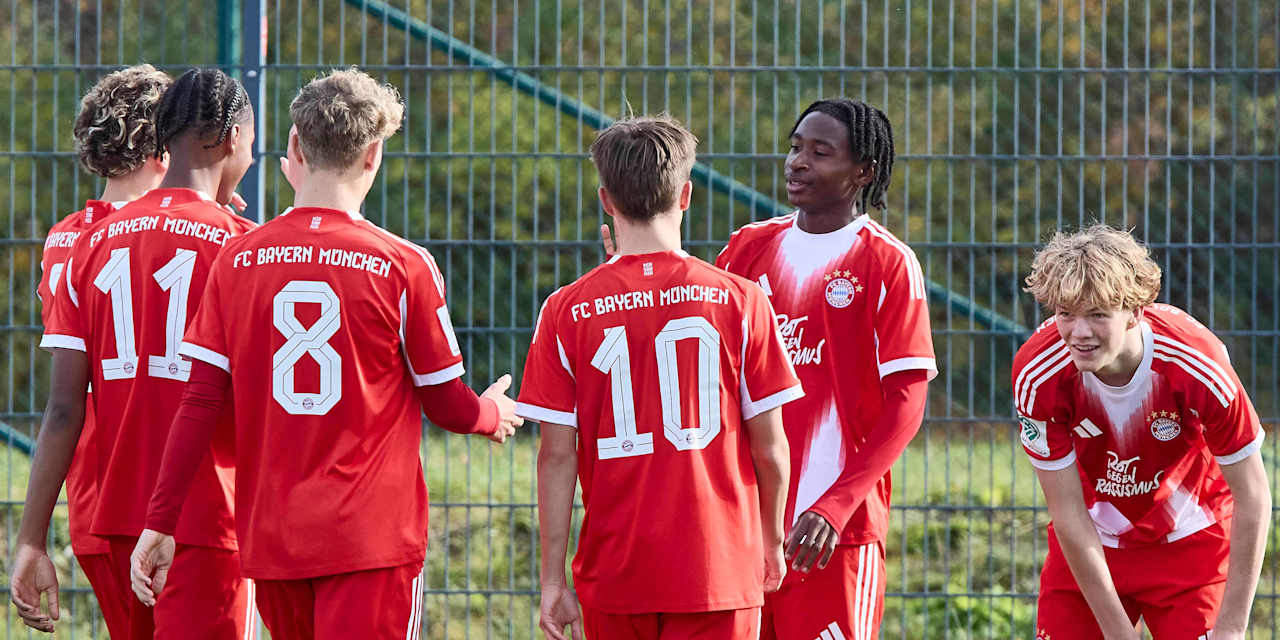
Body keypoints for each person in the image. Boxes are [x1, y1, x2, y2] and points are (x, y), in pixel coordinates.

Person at [129, 68, 522, 640]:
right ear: (373, 155)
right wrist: (491, 413)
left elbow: (200, 401)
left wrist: (161, 522)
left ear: (294, 146)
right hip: (370, 542)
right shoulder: (403, 264)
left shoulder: (236, 260)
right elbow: (445, 403)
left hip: (275, 541)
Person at [524, 114, 801, 640]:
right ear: (687, 195)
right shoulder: (742, 302)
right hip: (717, 569)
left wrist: (551, 580)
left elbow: (556, 457)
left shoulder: (565, 309)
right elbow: (771, 450)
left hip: (616, 571)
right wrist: (770, 541)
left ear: (606, 200)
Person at [16, 67, 258, 639]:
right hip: (205, 514)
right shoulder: (240, 244)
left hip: (113, 506)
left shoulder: (81, 243)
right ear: (228, 141)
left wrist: (30, 538)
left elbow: (62, 409)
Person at [715, 98, 936, 640]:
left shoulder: (887, 261)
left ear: (863, 171)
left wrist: (835, 506)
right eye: (794, 148)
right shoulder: (748, 248)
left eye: (820, 152)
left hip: (833, 535)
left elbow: (907, 403)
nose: (798, 162)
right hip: (742, 530)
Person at [1013, 224, 1270, 640]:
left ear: (1136, 311)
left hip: (1191, 543)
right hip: (1092, 546)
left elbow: (1253, 494)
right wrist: (1117, 632)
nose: (1079, 333)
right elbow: (1068, 514)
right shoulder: (1037, 373)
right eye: (1065, 314)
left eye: (1097, 314)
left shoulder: (1197, 363)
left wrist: (1232, 628)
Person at [11, 63, 171, 637]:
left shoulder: (65, 239)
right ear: (166, 149)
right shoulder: (189, 234)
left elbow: (63, 403)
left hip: (96, 505)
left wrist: (30, 538)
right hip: (179, 507)